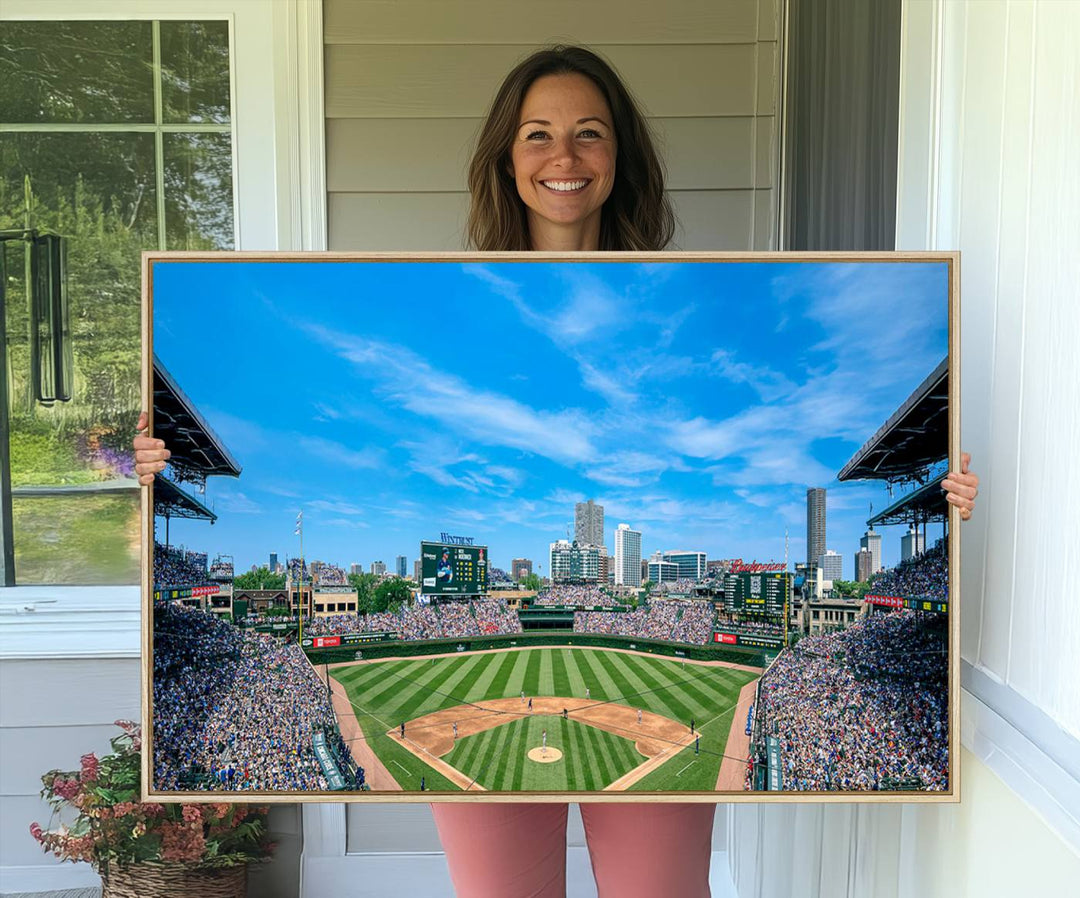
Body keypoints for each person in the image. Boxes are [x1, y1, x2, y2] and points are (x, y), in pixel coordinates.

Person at [134, 42, 981, 898]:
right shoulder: (449, 307)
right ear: (507, 158)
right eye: (537, 134)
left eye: (589, 133)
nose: (563, 157)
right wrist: (141, 469)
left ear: (621, 157)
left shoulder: (685, 301)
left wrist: (944, 505)